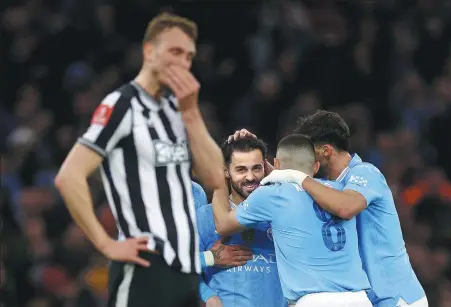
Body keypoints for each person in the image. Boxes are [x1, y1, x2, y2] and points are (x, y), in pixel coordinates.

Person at [54, 13, 225, 307]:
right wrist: (106, 243)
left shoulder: (179, 112)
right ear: (149, 51)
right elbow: (68, 177)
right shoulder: (123, 105)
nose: (183, 62)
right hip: (146, 265)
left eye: (188, 55)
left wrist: (192, 114)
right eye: (175, 51)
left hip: (185, 270)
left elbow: (213, 179)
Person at [261, 110, 428, 307]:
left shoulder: (366, 172)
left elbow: (346, 207)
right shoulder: (326, 187)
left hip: (398, 298)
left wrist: (296, 177)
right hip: (367, 300)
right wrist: (280, 174)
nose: (303, 160)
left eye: (308, 151)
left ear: (326, 151)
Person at [211, 134, 372, 307]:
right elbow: (298, 186)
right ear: (316, 166)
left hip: (314, 301)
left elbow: (222, 225)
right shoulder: (340, 192)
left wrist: (219, 178)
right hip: (360, 299)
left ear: (276, 164)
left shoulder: (272, 196)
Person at [197, 137, 286, 307]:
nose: (250, 177)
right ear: (226, 171)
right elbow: (178, 266)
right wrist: (208, 295)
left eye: (257, 168)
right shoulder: (204, 216)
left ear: (266, 169)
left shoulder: (282, 214)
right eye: (241, 170)